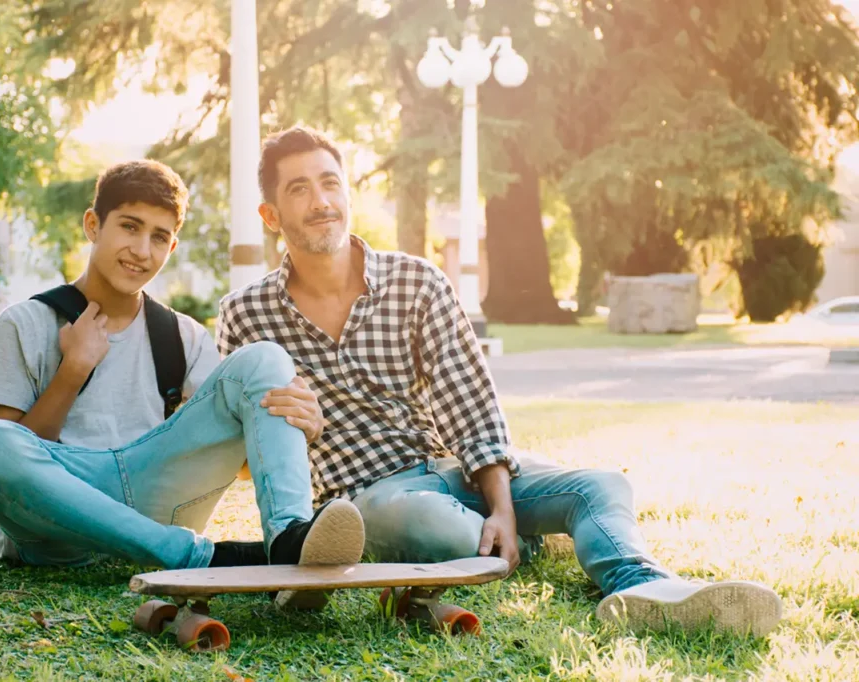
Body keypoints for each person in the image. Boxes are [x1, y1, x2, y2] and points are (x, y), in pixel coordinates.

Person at [215, 126, 783, 636]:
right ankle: (514, 540)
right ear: (271, 215)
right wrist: (301, 433)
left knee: (603, 486)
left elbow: (471, 403)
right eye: (298, 190)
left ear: (347, 194)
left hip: (448, 466)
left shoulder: (416, 282)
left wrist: (503, 507)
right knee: (433, 526)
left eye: (330, 183)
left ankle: (642, 588)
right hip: (368, 497)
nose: (321, 202)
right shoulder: (246, 313)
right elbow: (243, 459)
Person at [0, 160, 365, 607]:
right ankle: (197, 559)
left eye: (158, 237)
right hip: (59, 524)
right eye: (129, 227)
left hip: (154, 490)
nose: (141, 249)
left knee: (266, 358)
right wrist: (72, 371)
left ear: (171, 248)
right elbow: (1, 475)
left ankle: (289, 542)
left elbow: (237, 463)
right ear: (94, 225)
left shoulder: (182, 336)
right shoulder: (24, 323)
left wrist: (294, 425)